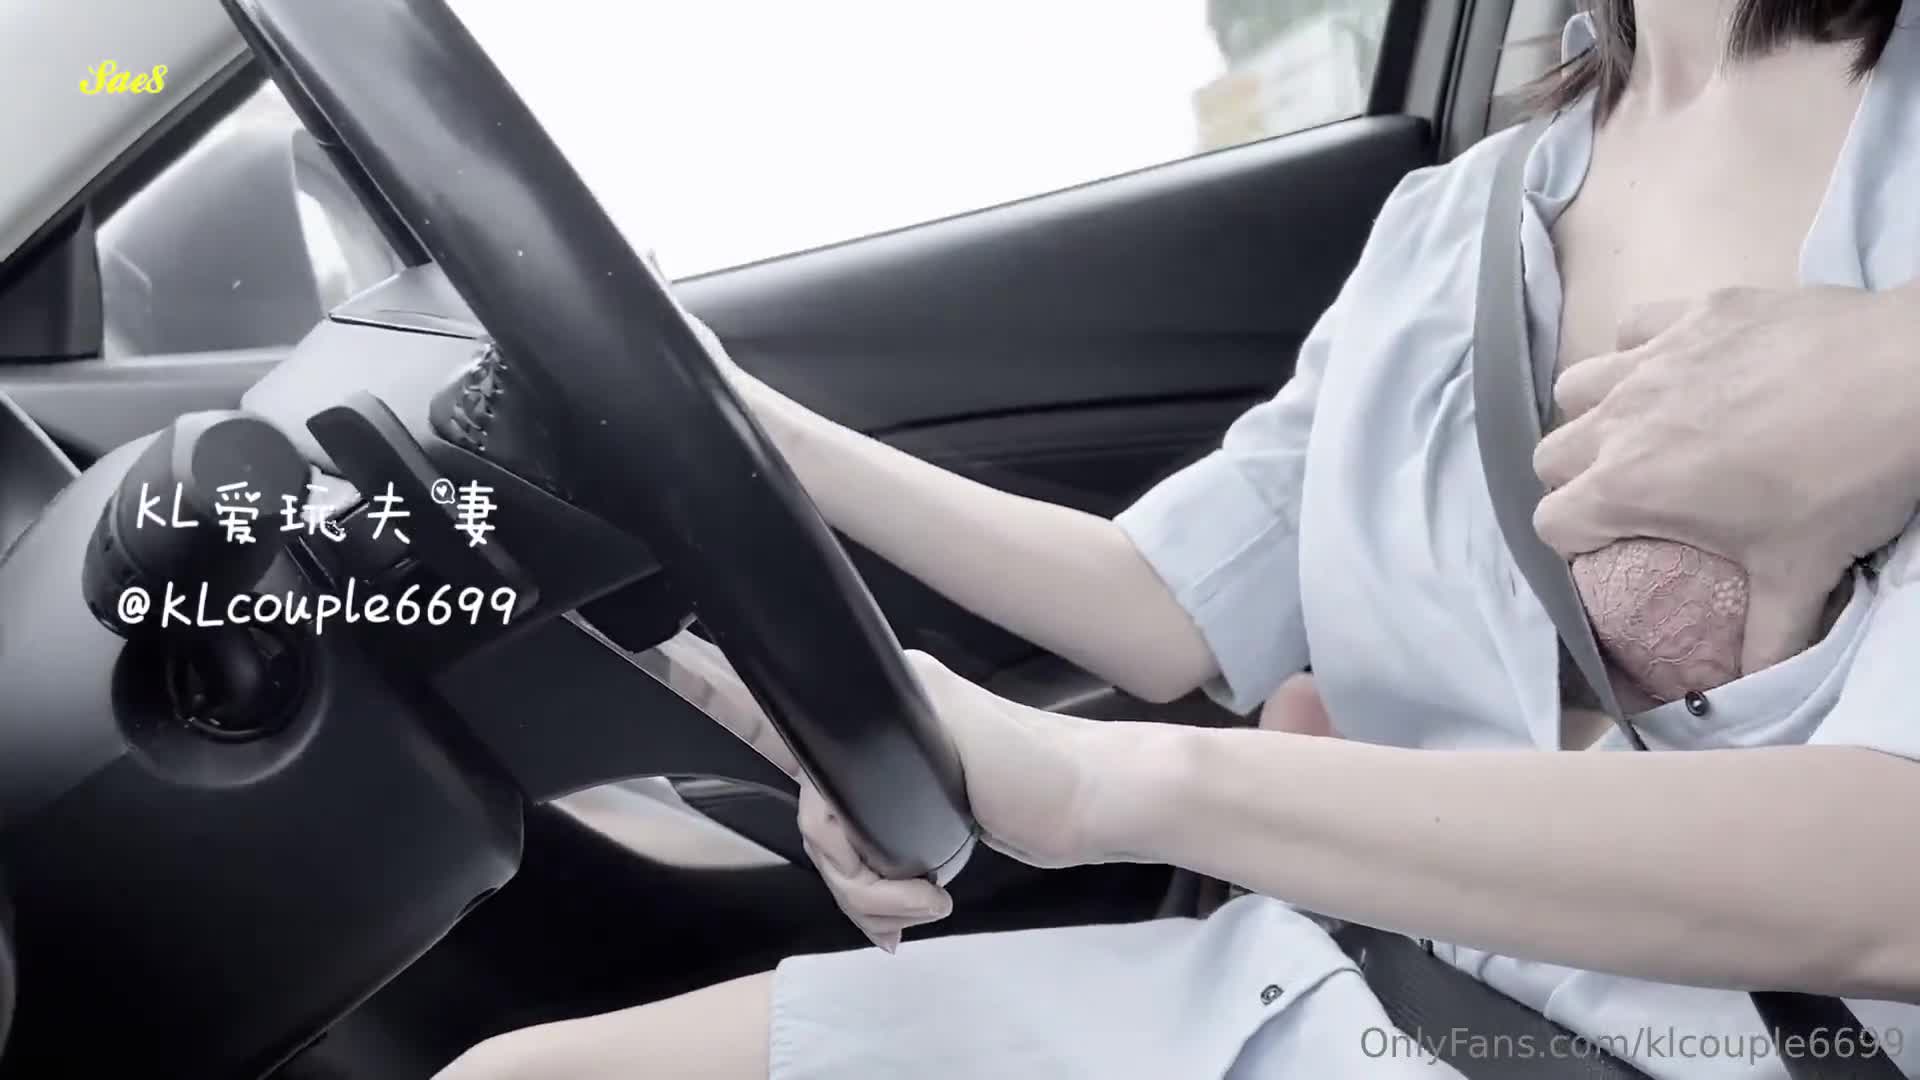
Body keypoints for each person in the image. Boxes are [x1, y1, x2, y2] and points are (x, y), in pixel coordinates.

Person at [441, 2, 1920, 1077]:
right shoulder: (1461, 217)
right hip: (1350, 993)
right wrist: (729, 414)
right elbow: (1166, 599)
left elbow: (1888, 880)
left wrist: (1103, 782)